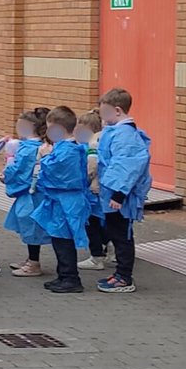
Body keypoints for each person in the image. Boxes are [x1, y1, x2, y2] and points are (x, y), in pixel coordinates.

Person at [95, 88, 152, 294]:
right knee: (116, 233)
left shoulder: (125, 135)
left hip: (119, 197)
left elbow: (127, 166)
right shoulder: (119, 132)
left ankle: (124, 277)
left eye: (104, 113)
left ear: (117, 110)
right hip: (114, 194)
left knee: (121, 236)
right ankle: (120, 274)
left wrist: (119, 194)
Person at [30, 106, 92, 293]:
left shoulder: (68, 150)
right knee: (59, 239)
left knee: (63, 240)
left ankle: (70, 278)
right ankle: (64, 275)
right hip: (61, 201)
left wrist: (44, 158)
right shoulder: (69, 148)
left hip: (66, 202)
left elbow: (54, 171)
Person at [2, 108, 51, 277]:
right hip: (36, 191)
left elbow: (18, 169)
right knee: (32, 226)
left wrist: (6, 175)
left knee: (31, 227)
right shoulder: (39, 146)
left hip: (31, 194)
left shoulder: (27, 149)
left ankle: (33, 263)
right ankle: (31, 259)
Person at [74, 109, 107, 271]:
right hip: (97, 194)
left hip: (91, 194)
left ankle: (97, 257)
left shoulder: (89, 148)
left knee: (92, 225)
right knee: (103, 223)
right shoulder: (98, 144)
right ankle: (106, 249)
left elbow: (90, 169)